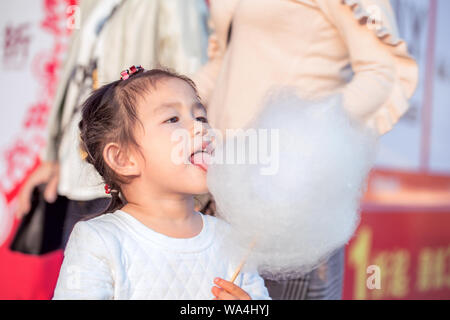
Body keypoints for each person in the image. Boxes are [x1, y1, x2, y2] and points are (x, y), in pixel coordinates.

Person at [192, 0, 419, 299]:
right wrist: (153, 104)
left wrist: (307, 133)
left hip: (291, 192)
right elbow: (223, 64)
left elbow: (384, 72)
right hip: (220, 180)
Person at [52, 66, 271, 300]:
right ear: (123, 158)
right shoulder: (100, 241)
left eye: (201, 117)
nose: (202, 128)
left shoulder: (230, 240)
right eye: (173, 119)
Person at [15, 0, 210, 249]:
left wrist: (191, 176)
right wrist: (52, 156)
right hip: (81, 170)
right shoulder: (87, 5)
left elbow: (190, 86)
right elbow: (71, 76)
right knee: (85, 270)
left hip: (134, 174)